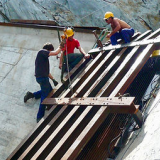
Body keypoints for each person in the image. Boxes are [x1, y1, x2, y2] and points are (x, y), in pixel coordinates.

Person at [24, 42, 62, 123]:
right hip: (43, 79)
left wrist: (53, 79)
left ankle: (32, 95)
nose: (49, 54)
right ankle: (39, 117)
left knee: (49, 91)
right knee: (44, 97)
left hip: (41, 78)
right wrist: (60, 46)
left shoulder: (43, 59)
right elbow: (55, 53)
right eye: (49, 52)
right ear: (48, 49)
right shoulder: (42, 52)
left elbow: (46, 72)